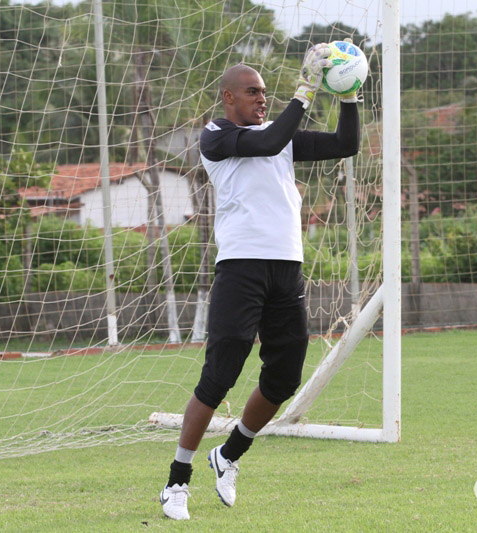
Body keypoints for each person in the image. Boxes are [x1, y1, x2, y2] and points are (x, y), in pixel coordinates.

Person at [159, 42, 361, 520]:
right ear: (228, 97)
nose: (262, 99)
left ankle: (227, 456)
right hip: (240, 270)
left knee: (285, 376)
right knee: (219, 376)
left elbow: (344, 145)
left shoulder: (279, 133)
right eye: (252, 92)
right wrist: (307, 89)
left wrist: (348, 95)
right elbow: (267, 143)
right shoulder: (216, 136)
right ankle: (176, 482)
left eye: (266, 93)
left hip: (286, 268)